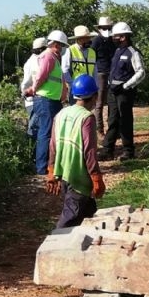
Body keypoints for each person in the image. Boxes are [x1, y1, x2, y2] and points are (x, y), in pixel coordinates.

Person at [47, 74, 106, 228]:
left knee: (88, 214)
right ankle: (55, 247)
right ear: (94, 96)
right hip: (78, 178)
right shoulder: (87, 118)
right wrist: (96, 177)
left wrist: (52, 169)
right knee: (69, 221)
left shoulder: (61, 114)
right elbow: (89, 152)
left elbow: (52, 144)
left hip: (65, 174)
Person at [98, 22, 146, 161]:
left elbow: (141, 72)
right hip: (112, 91)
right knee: (112, 120)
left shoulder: (133, 52)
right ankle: (108, 150)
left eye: (116, 36)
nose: (114, 38)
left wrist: (126, 86)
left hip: (125, 92)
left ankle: (128, 151)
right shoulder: (117, 51)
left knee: (125, 120)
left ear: (123, 37)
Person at [25, 30, 69, 175]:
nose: (61, 49)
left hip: (51, 99)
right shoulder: (49, 56)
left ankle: (48, 164)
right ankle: (42, 167)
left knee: (49, 132)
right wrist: (34, 89)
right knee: (45, 132)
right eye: (60, 45)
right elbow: (41, 75)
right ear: (55, 44)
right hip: (46, 99)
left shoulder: (53, 58)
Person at [91, 16, 116, 137]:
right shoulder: (96, 41)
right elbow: (92, 57)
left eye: (108, 27)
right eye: (104, 28)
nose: (107, 29)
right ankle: (99, 129)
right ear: (100, 28)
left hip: (112, 73)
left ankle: (112, 128)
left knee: (112, 101)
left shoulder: (113, 40)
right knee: (99, 103)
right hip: (100, 73)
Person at [63, 25, 98, 106]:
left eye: (89, 38)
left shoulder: (92, 52)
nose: (89, 40)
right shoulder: (70, 50)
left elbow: (95, 71)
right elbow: (64, 70)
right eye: (86, 38)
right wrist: (72, 85)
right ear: (79, 39)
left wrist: (96, 87)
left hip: (89, 89)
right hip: (76, 90)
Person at [21, 37, 48, 140]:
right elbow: (26, 83)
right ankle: (32, 153)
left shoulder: (39, 60)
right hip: (33, 101)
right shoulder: (32, 62)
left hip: (39, 100)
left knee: (39, 128)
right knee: (35, 129)